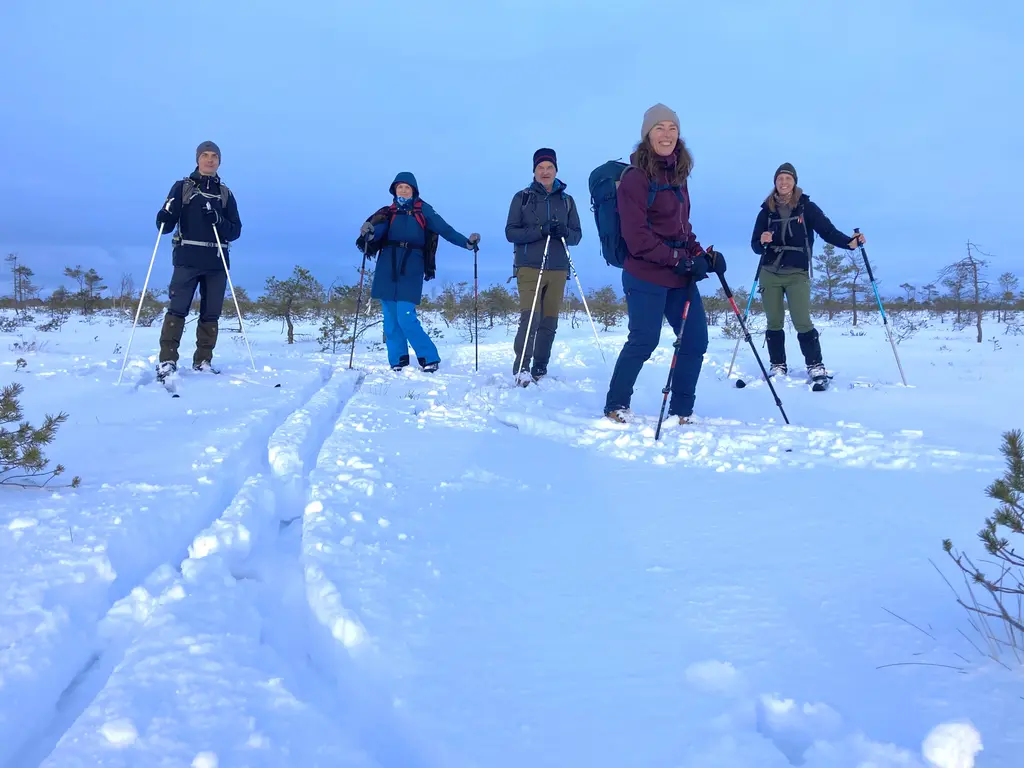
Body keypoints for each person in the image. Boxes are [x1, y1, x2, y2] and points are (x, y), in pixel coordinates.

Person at [603, 104, 725, 425]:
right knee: (644, 340)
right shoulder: (635, 178)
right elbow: (637, 237)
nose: (667, 134)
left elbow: (682, 228)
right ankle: (616, 404)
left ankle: (682, 411)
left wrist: (703, 256)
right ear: (647, 134)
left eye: (672, 128)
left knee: (695, 339)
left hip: (678, 274)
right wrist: (678, 260)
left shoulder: (679, 175)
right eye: (660, 128)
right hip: (644, 274)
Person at [750, 162, 865, 383]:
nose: (783, 183)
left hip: (797, 273)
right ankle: (778, 365)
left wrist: (849, 243)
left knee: (802, 320)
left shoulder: (806, 207)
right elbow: (755, 246)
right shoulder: (766, 211)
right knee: (774, 321)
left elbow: (827, 231)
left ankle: (815, 365)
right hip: (769, 272)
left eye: (788, 179)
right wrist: (761, 241)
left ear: (794, 182)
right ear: (775, 183)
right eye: (780, 179)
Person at [356, 171, 479, 373]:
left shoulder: (424, 211)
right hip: (387, 264)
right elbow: (378, 232)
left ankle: (429, 357)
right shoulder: (388, 212)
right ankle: (398, 360)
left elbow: (445, 230)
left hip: (412, 264)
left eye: (407, 187)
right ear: (394, 190)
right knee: (390, 320)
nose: (403, 190)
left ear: (414, 190)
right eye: (399, 187)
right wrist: (369, 232)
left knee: (405, 316)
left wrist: (466, 243)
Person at [154, 140, 242, 380]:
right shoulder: (182, 187)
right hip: (187, 258)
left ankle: (203, 360)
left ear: (219, 161)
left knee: (211, 313)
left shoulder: (225, 193)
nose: (210, 159)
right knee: (177, 310)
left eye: (214, 156)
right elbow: (166, 225)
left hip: (216, 262)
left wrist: (218, 220)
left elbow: (235, 230)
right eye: (205, 155)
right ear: (198, 159)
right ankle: (167, 360)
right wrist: (162, 217)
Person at [504, 148, 583, 384]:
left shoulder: (567, 201)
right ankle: (522, 368)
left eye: (549, 167)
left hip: (558, 267)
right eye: (541, 168)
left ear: (556, 170)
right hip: (529, 266)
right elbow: (511, 232)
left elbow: (577, 236)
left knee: (549, 320)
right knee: (531, 318)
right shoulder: (523, 197)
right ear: (534, 170)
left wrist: (563, 232)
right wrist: (540, 231)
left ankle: (540, 367)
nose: (545, 172)